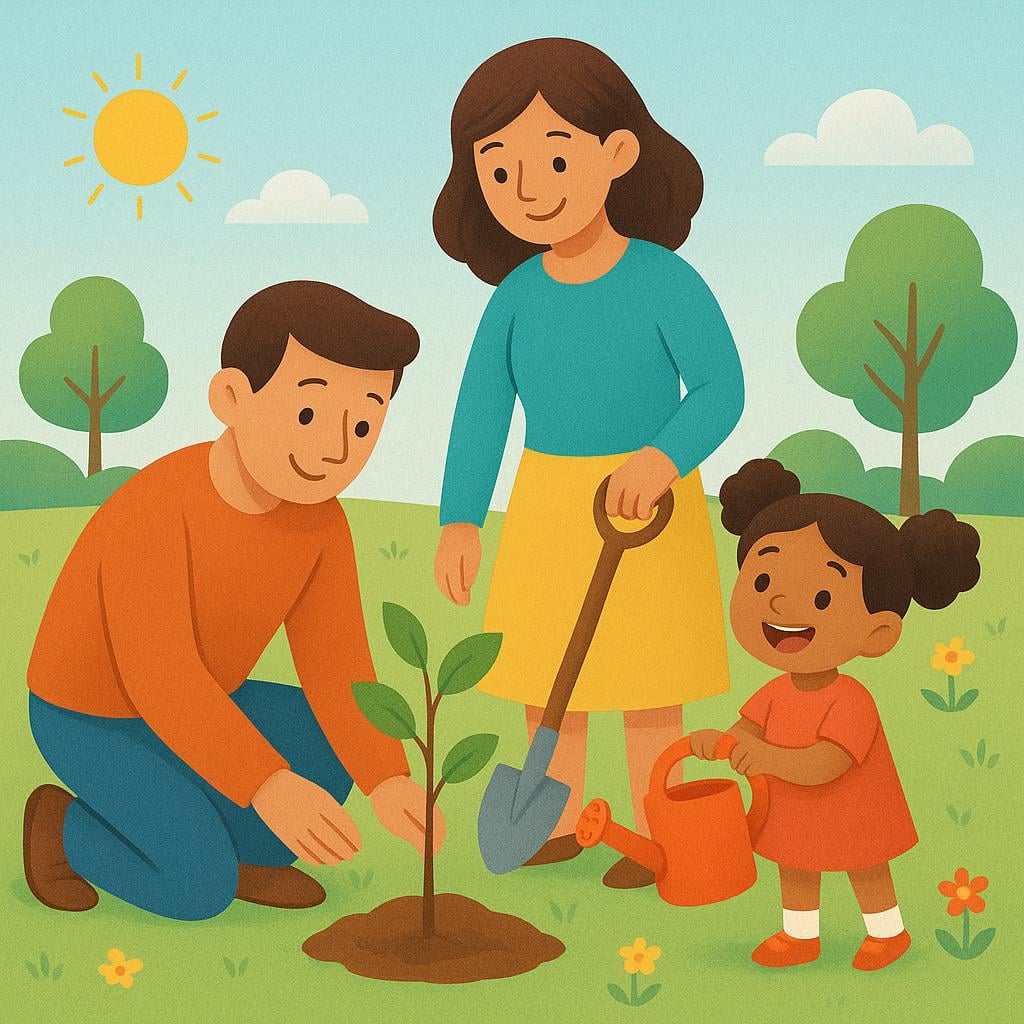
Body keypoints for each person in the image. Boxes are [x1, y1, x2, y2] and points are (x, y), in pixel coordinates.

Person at [24, 281, 444, 920]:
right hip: (93, 717)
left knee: (333, 740)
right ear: (232, 398)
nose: (335, 449)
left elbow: (339, 668)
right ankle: (63, 830)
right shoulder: (159, 508)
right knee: (196, 889)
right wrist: (268, 785)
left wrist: (386, 779)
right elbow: (161, 680)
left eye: (363, 423)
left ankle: (242, 850)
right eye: (307, 414)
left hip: (210, 700)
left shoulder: (321, 523)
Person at [432, 38, 744, 889]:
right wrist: (460, 517)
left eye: (553, 154)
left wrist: (662, 457)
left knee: (649, 689)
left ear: (616, 153)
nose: (526, 185)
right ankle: (562, 822)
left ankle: (655, 834)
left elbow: (721, 388)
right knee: (549, 683)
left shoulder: (665, 280)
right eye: (498, 168)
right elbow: (480, 412)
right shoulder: (515, 297)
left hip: (649, 506)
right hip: (547, 508)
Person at [690, 458, 981, 970]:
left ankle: (887, 932)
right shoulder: (776, 689)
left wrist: (763, 757)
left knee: (865, 867)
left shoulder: (852, 700)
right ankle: (799, 936)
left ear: (879, 633)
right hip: (793, 812)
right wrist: (724, 743)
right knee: (795, 865)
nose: (779, 603)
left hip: (852, 811)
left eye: (822, 596)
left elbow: (827, 764)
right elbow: (749, 728)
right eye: (762, 582)